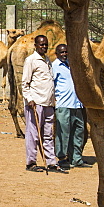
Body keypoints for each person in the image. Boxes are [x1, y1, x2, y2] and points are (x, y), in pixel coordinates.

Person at [22, 34, 64, 172]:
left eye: (46, 45)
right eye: (41, 45)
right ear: (36, 45)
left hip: (48, 103)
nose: (44, 47)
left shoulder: (47, 60)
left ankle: (51, 162)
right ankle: (31, 162)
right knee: (33, 134)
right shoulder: (31, 60)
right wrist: (29, 99)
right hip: (35, 103)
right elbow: (25, 83)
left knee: (47, 134)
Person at [51, 44, 86, 169]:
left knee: (78, 132)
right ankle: (61, 158)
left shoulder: (73, 65)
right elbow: (52, 85)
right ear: (56, 54)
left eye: (66, 52)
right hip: (63, 104)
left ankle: (76, 158)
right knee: (63, 133)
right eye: (61, 52)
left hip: (77, 104)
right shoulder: (55, 66)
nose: (64, 54)